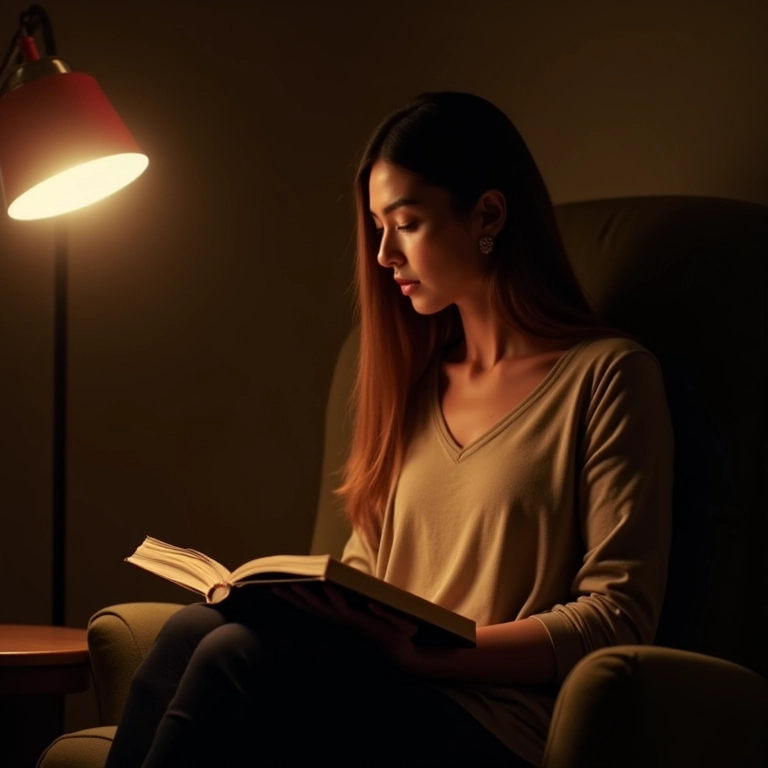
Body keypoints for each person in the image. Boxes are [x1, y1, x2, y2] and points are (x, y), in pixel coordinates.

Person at [104, 91, 673, 768]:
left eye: (405, 223)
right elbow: (369, 574)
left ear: (487, 214)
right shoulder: (413, 384)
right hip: (380, 689)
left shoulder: (608, 377)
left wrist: (426, 651)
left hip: (492, 724)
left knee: (233, 657)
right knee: (194, 629)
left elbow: (616, 618)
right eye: (377, 226)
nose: (382, 255)